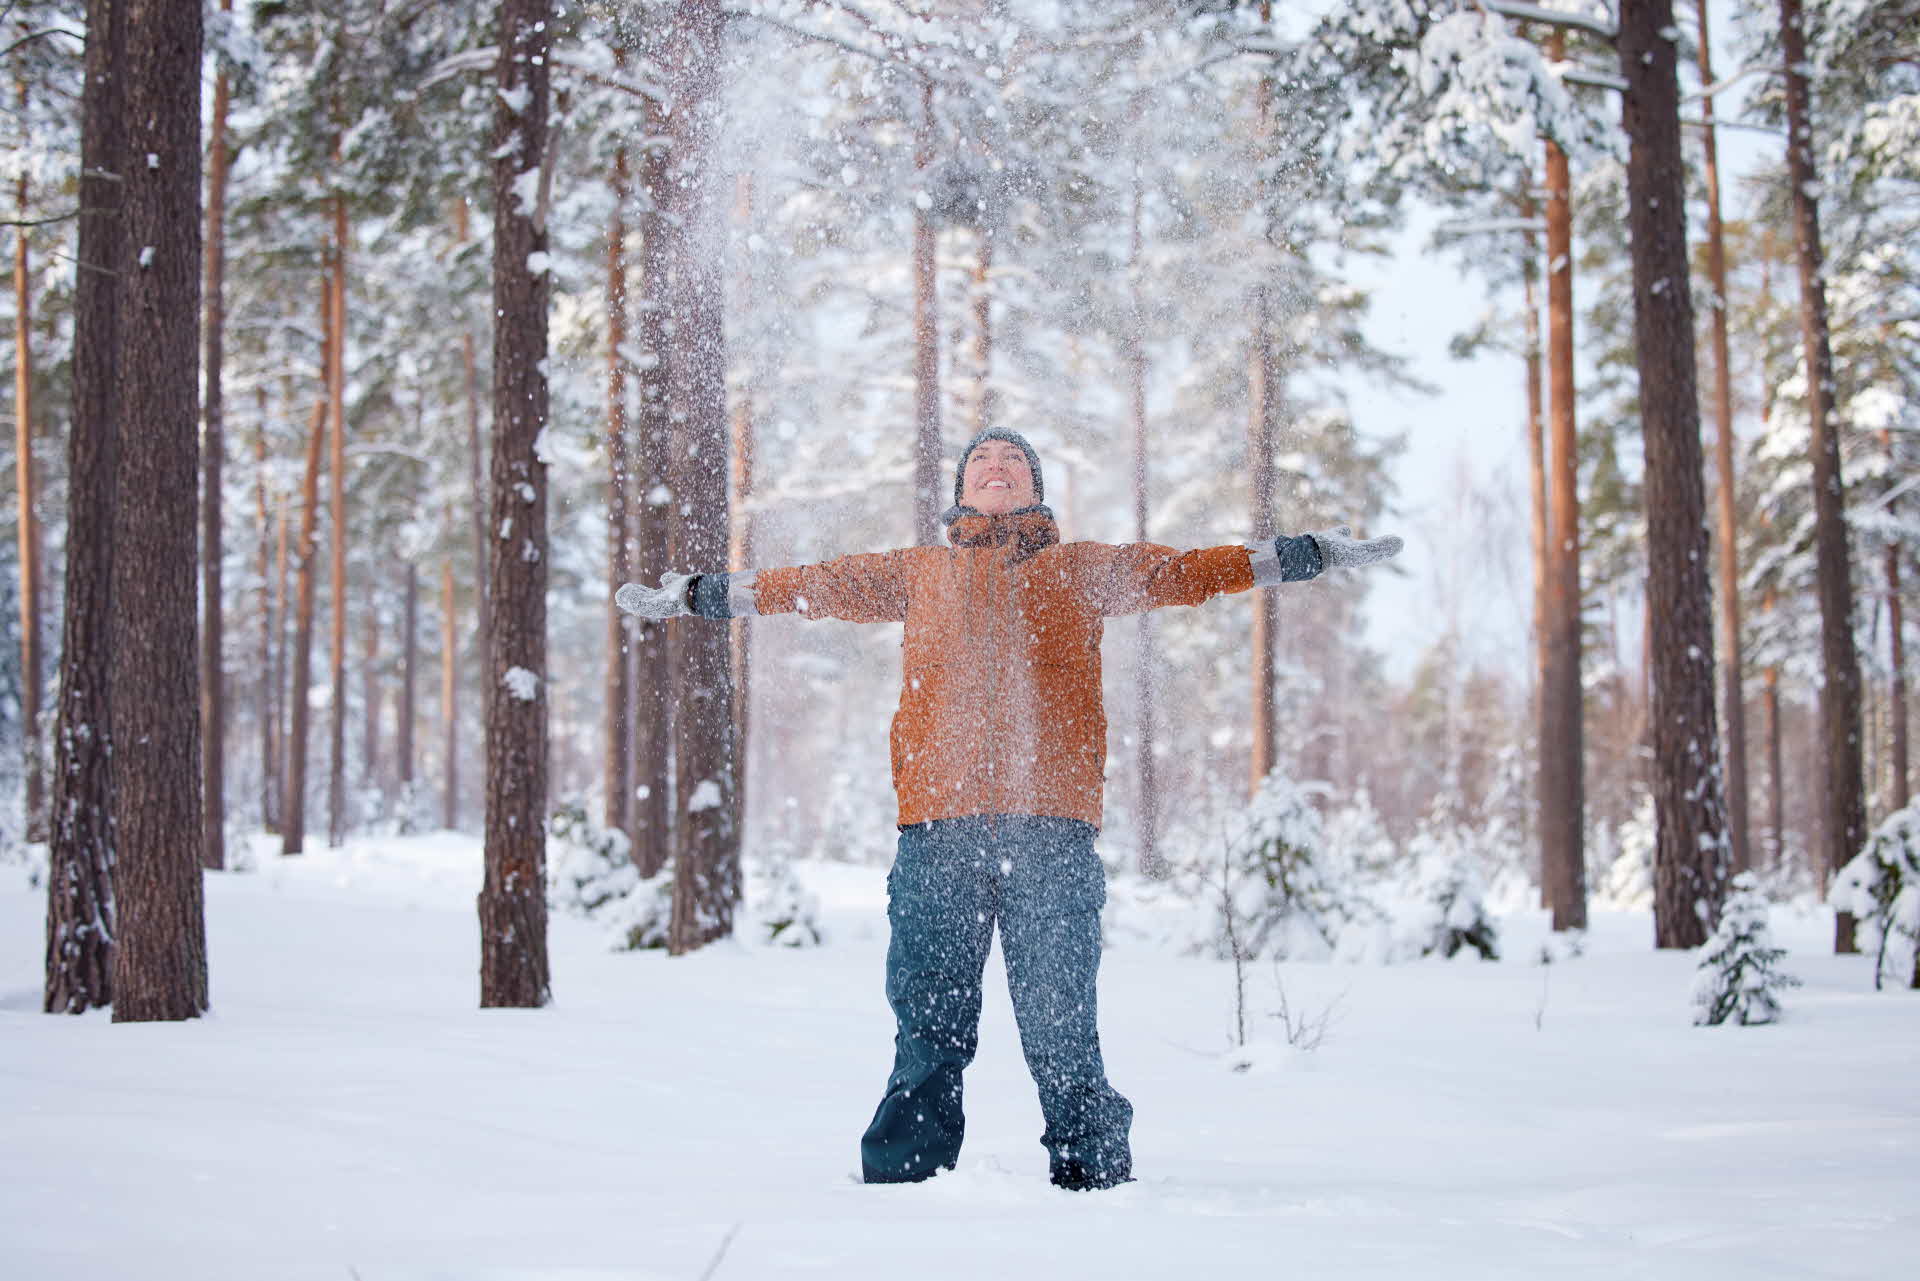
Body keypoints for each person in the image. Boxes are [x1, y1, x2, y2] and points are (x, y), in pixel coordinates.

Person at [616, 427, 1403, 1190]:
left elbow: (1192, 570)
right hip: (939, 830)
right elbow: (809, 583)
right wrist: (701, 594)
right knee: (929, 1029)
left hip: (1050, 831)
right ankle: (899, 1187)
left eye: (1013, 458)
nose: (997, 465)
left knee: (1060, 1022)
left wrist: (1304, 554)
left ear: (1033, 486)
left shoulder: (1082, 570)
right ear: (961, 489)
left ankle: (1095, 1180)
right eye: (981, 459)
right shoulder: (916, 571)